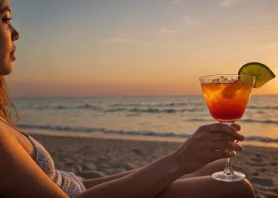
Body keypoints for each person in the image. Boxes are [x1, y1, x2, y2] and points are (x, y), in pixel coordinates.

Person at [0, 0, 256, 197]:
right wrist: (178, 161)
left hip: (83, 188)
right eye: (5, 18)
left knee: (219, 165)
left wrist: (179, 161)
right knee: (236, 189)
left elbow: (76, 184)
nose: (16, 32)